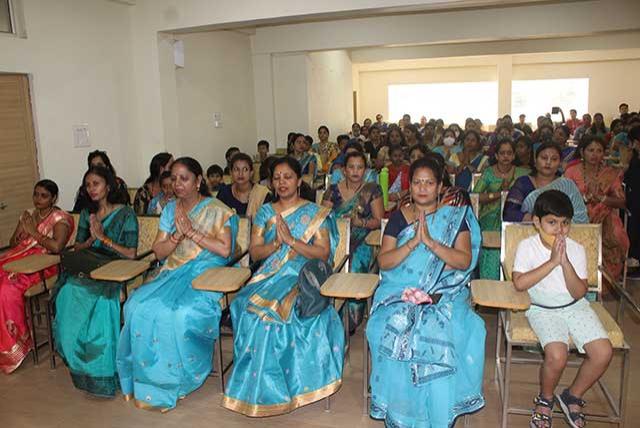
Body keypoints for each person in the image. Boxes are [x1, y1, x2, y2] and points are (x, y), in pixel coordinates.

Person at [366, 156, 484, 427]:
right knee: (391, 330)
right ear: (410, 187)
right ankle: (403, 410)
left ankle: (440, 413)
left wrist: (430, 242)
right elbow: (384, 261)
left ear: (440, 186)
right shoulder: (399, 218)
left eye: (429, 183)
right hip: (399, 293)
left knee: (449, 330)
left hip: (446, 293)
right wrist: (413, 243)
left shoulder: (456, 218)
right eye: (417, 182)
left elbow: (463, 261)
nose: (422, 188)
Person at [222, 157, 344, 416]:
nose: (282, 182)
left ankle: (285, 386)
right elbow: (255, 254)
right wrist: (277, 244)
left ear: (299, 181)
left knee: (272, 317)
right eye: (276, 178)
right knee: (246, 306)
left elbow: (322, 254)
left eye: (287, 177)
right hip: (269, 276)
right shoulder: (266, 213)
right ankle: (255, 388)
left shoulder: (316, 213)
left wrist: (291, 240)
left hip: (302, 276)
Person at [117, 157, 238, 411]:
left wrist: (193, 233)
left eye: (184, 178)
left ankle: (181, 378)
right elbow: (160, 253)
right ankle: (149, 378)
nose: (178, 184)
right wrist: (176, 236)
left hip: (208, 271)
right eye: (174, 178)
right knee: (136, 306)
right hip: (173, 271)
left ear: (198, 181)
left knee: (179, 313)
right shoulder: (170, 210)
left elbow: (225, 250)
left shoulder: (218, 209)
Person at [512, 190, 612, 428]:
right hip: (541, 308)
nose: (559, 230)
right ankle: (545, 399)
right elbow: (519, 283)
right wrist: (552, 262)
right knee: (557, 355)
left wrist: (564, 262)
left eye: (565, 223)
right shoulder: (528, 247)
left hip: (575, 306)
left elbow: (579, 293)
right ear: (537, 222)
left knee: (603, 352)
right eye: (552, 222)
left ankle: (572, 395)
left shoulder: (575, 249)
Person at [54, 166, 138, 397]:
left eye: (96, 184)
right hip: (89, 268)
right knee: (67, 294)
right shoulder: (86, 214)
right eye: (88, 185)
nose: (91, 189)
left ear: (108, 186)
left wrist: (104, 239)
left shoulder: (126, 214)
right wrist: (92, 237)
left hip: (115, 269)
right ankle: (80, 367)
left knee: (101, 303)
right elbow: (79, 246)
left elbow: (131, 253)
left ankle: (103, 373)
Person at [0, 180, 74, 374]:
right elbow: (13, 242)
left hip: (46, 265)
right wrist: (23, 230)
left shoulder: (60, 218)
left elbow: (57, 247)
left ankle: (16, 343)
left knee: (6, 289)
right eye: (36, 194)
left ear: (54, 198)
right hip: (22, 259)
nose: (38, 199)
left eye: (44, 196)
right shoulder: (30, 215)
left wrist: (35, 233)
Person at [322, 151, 383, 331]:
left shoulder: (372, 189)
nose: (356, 171)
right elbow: (322, 218)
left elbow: (379, 221)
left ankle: (350, 318)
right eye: (351, 167)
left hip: (362, 239)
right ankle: (328, 313)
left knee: (355, 264)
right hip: (336, 238)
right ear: (343, 170)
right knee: (324, 263)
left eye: (360, 167)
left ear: (365, 170)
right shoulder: (333, 191)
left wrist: (360, 222)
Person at [565, 136, 628, 279]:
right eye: (590, 150)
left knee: (617, 234)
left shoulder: (611, 173)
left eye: (599, 151)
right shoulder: (571, 171)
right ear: (582, 152)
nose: (595, 154)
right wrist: (586, 198)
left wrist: (601, 198)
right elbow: (565, 198)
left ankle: (606, 280)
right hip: (576, 215)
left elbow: (621, 202)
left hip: (604, 216)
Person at [473, 140, 529, 279]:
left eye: (509, 153)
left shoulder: (522, 173)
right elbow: (475, 196)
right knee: (492, 239)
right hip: (490, 215)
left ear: (514, 156)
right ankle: (489, 283)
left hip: (515, 215)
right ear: (496, 156)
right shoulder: (489, 173)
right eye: (502, 153)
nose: (506, 157)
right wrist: (501, 194)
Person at [504, 142, 588, 223]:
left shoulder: (567, 185)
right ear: (535, 161)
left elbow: (580, 218)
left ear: (559, 164)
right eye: (544, 158)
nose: (548, 162)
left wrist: (557, 224)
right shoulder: (524, 183)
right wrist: (541, 222)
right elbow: (509, 214)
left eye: (554, 159)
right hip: (530, 233)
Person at [216, 153, 272, 219]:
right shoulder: (224, 193)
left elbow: (268, 222)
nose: (240, 174)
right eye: (236, 169)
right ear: (231, 172)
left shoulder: (262, 194)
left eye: (245, 169)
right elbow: (217, 220)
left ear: (251, 173)